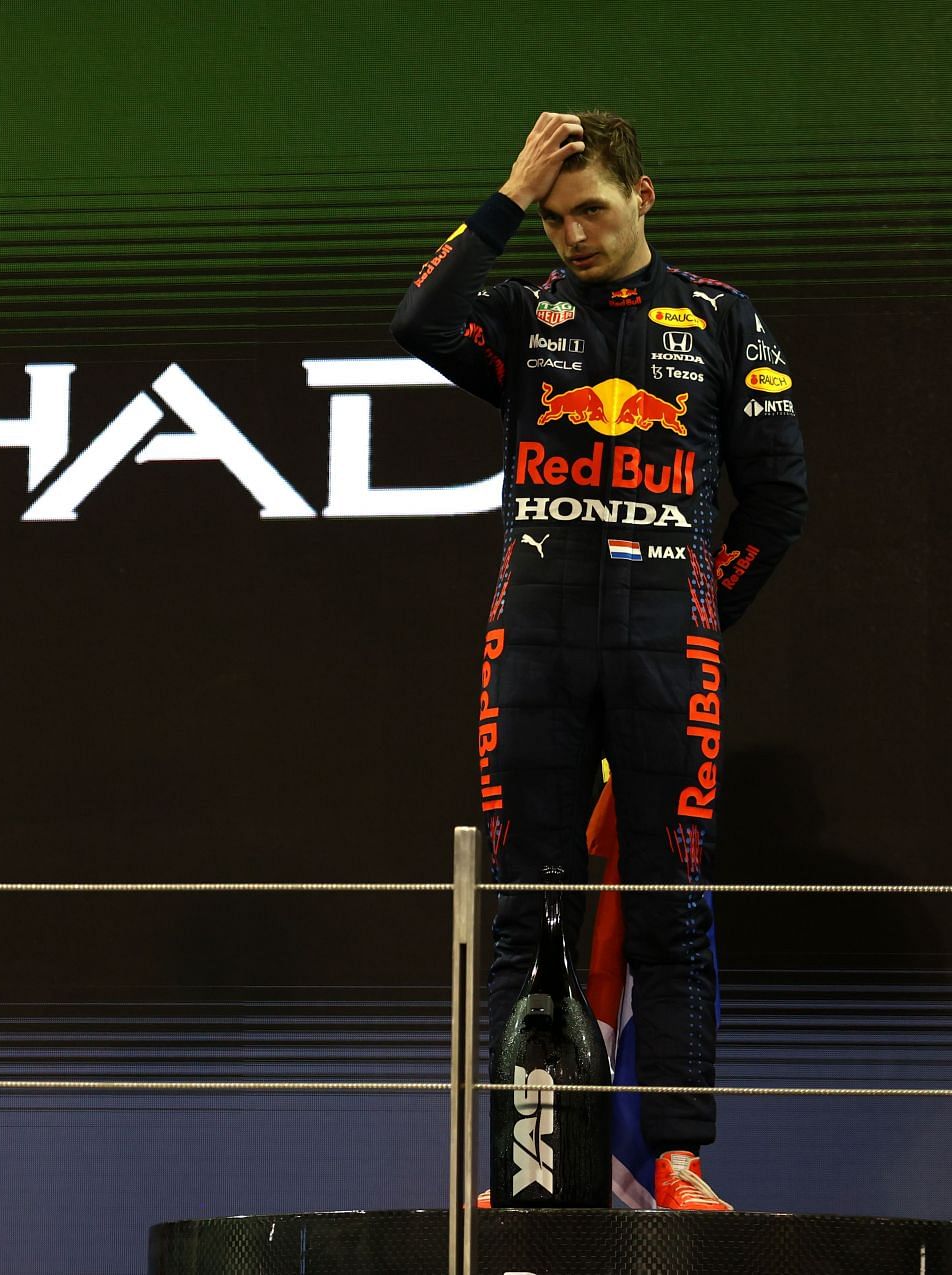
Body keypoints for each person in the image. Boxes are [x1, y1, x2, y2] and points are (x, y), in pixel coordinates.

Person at [392, 112, 806, 1209]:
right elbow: (414, 323)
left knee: (670, 906)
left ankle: (675, 1162)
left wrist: (696, 614)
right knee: (527, 907)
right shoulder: (523, 314)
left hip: (670, 655)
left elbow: (779, 499)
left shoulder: (722, 318)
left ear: (643, 199)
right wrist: (506, 196)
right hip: (532, 649)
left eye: (594, 210)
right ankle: (522, 1173)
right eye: (557, 215)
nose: (573, 234)